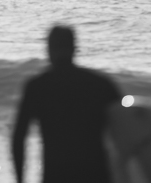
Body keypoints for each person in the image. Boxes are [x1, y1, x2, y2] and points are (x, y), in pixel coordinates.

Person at [11, 25, 122, 183]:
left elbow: (18, 137)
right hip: (97, 175)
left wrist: (20, 180)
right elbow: (126, 131)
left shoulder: (38, 87)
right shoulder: (101, 84)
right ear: (74, 48)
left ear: (48, 49)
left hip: (55, 176)